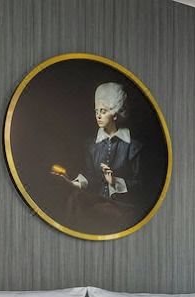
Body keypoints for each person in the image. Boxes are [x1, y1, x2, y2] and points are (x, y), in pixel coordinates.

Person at [54, 82, 144, 224]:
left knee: (98, 212)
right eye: (96, 111)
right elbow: (91, 175)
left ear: (115, 114)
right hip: (98, 200)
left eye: (103, 111)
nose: (98, 116)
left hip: (123, 206)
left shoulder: (133, 147)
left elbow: (141, 185)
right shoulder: (91, 145)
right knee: (76, 198)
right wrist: (73, 183)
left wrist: (114, 182)